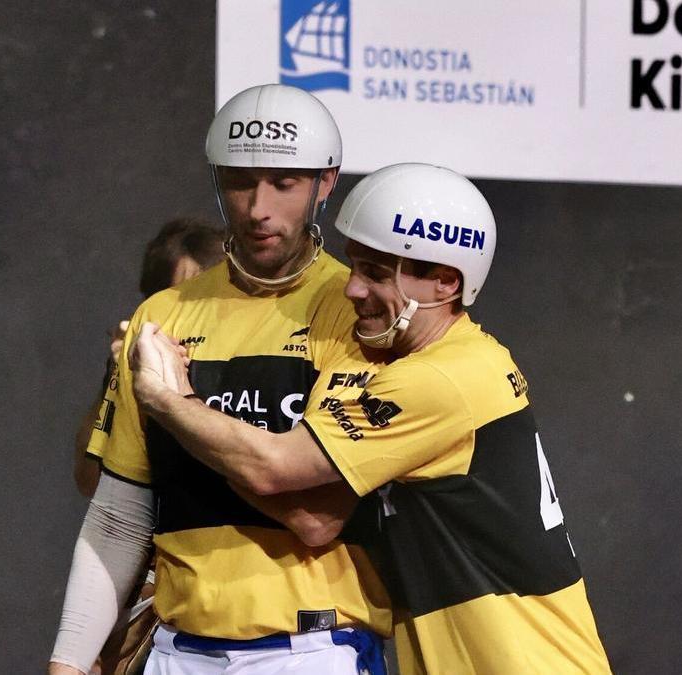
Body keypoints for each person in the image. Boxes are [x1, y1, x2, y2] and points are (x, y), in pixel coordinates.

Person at [128, 163, 612, 674]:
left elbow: (272, 470)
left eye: (377, 274)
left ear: (445, 282)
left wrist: (172, 399)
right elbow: (308, 513)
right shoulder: (453, 364)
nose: (352, 289)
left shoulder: (440, 380)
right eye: (355, 266)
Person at [49, 84, 391, 675]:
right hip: (177, 652)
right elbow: (118, 516)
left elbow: (318, 516)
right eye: (239, 181)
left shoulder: (355, 312)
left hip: (312, 652)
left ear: (326, 183)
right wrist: (68, 665)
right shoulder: (161, 316)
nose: (259, 208)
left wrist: (181, 407)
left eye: (283, 184)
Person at [68, 217, 224, 675]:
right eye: (186, 299)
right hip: (153, 592)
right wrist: (117, 380)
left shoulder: (261, 363)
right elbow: (89, 478)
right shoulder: (141, 357)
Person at [73, 217, 226, 500]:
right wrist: (117, 378)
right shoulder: (145, 372)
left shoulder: (271, 359)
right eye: (193, 302)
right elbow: (90, 482)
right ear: (153, 309)